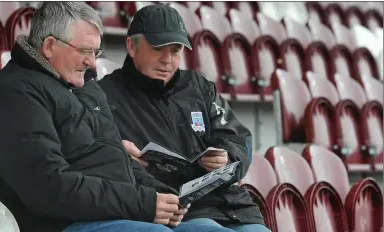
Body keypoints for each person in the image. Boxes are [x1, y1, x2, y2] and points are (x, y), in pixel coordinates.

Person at [0, 2, 239, 232]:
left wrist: (163, 195)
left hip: (113, 216)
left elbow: (116, 160)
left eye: (96, 52)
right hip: (62, 224)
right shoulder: (16, 95)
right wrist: (144, 203)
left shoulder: (84, 87)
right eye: (84, 51)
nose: (92, 62)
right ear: (50, 46)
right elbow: (48, 188)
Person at [98, 4, 271, 232]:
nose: (167, 60)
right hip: (182, 214)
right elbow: (95, 158)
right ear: (132, 46)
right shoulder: (104, 96)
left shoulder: (199, 86)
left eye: (175, 50)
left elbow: (240, 140)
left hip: (236, 209)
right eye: (158, 49)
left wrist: (227, 159)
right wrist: (120, 155)